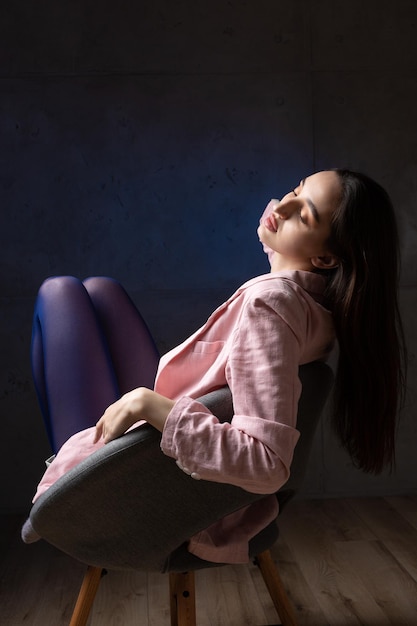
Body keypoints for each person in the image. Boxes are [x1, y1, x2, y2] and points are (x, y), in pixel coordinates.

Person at [21, 169, 407, 564]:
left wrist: (149, 405)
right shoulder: (316, 304)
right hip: (156, 454)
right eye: (294, 190)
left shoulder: (271, 305)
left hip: (144, 482)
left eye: (303, 214)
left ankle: (60, 481)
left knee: (59, 294)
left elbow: (267, 463)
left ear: (325, 257)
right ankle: (65, 464)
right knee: (101, 292)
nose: (282, 204)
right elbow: (287, 252)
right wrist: (283, 234)